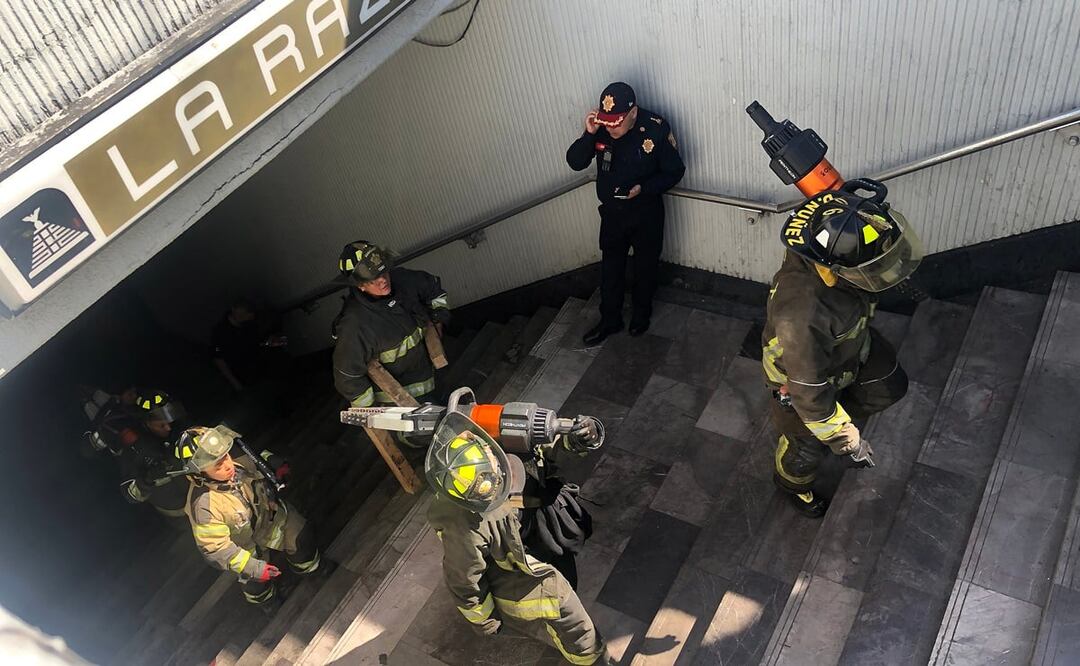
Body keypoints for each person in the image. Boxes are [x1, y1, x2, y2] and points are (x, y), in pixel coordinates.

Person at [762, 179, 920, 517]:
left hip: (850, 347)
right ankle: (792, 484)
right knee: (807, 448)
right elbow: (808, 392)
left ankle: (835, 415)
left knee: (890, 383)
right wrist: (846, 440)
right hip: (802, 378)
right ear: (833, 269)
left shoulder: (830, 232)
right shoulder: (801, 316)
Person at [425, 409, 609, 665]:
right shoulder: (464, 526)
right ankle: (590, 658)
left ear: (487, 449)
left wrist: (576, 438)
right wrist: (486, 622)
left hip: (532, 521)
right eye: (485, 492)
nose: (497, 488)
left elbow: (545, 449)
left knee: (565, 560)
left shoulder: (503, 436)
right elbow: (464, 579)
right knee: (563, 604)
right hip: (509, 561)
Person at [566, 81, 686, 345]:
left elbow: (674, 171)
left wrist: (643, 189)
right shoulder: (601, 128)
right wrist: (588, 135)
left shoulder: (654, 129)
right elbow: (575, 162)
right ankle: (610, 320)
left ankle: (641, 316)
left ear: (633, 112)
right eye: (607, 122)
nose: (611, 129)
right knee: (610, 270)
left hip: (646, 212)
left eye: (616, 123)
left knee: (645, 268)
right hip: (613, 214)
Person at [177, 425, 319, 608]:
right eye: (218, 465)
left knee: (302, 538)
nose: (228, 465)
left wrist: (276, 464)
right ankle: (267, 602)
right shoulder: (204, 506)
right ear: (199, 474)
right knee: (255, 583)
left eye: (225, 456)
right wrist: (253, 568)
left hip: (271, 518)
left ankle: (311, 569)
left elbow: (259, 457)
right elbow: (215, 549)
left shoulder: (238, 455)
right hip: (244, 548)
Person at [332, 241, 451, 408]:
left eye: (383, 272)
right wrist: (373, 413)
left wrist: (439, 319)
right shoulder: (354, 325)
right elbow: (347, 376)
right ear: (360, 285)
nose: (382, 280)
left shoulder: (405, 280)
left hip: (434, 378)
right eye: (373, 279)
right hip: (398, 405)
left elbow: (434, 291)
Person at [118, 390, 189, 518]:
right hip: (178, 513)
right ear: (146, 423)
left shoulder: (179, 430)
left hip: (204, 498)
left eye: (169, 422)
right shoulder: (135, 450)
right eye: (161, 425)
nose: (168, 428)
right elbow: (130, 495)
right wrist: (147, 479)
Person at [211, 299, 288, 394]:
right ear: (234, 309)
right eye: (244, 313)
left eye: (248, 314)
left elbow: (257, 342)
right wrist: (236, 384)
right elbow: (218, 359)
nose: (248, 316)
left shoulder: (249, 324)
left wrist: (273, 342)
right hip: (243, 372)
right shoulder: (220, 332)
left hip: (259, 363)